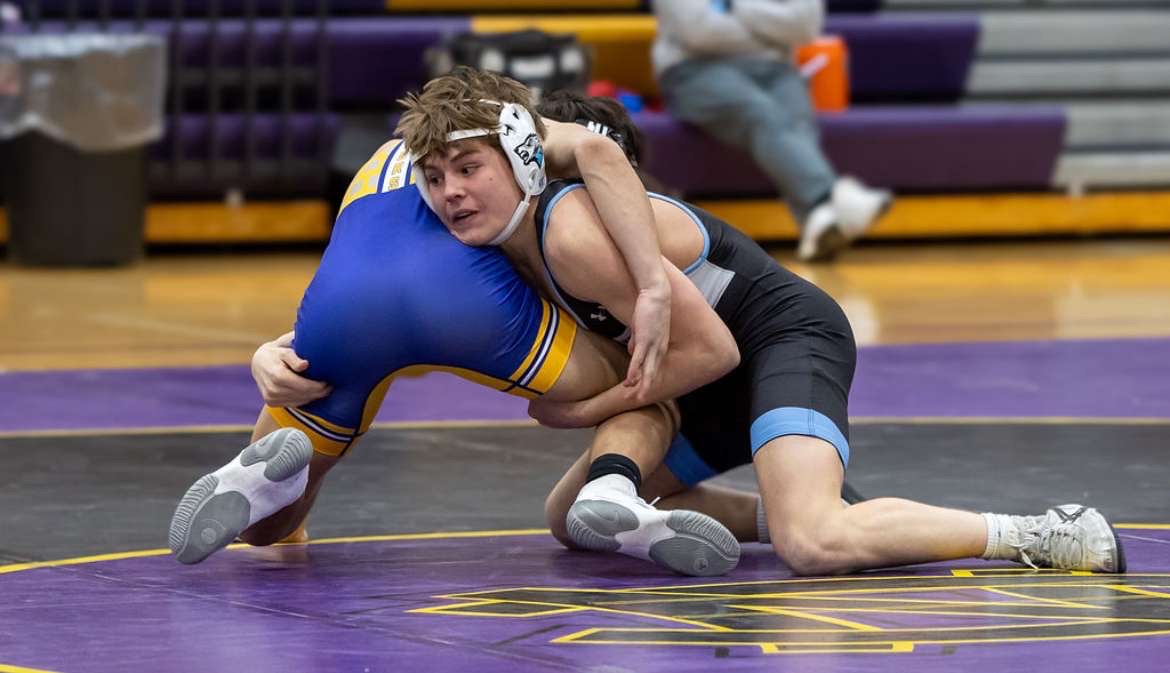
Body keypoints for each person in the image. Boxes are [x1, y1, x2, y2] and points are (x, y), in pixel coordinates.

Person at [397, 71, 1125, 576]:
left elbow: (709, 350)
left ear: (523, 161)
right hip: (710, 363)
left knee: (812, 543)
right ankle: (834, 514)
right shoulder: (513, 249)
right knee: (572, 514)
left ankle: (1039, 531)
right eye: (434, 177)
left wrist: (581, 408)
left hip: (778, 337)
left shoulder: (568, 231)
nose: (451, 193)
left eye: (467, 168)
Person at [167, 95, 744, 576]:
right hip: (472, 308)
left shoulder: (398, 155)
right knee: (648, 378)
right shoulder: (540, 199)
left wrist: (270, 351)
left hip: (339, 315)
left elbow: (373, 282)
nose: (453, 189)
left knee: (267, 530)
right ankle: (612, 489)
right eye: (448, 174)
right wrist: (597, 397)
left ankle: (270, 482)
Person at [651, 0, 892, 262]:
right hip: (694, 71)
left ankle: (819, 221)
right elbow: (698, 32)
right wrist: (772, 36)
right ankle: (829, 197)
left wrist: (740, 7)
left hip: (778, 70)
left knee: (798, 121)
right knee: (761, 112)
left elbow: (805, 27)